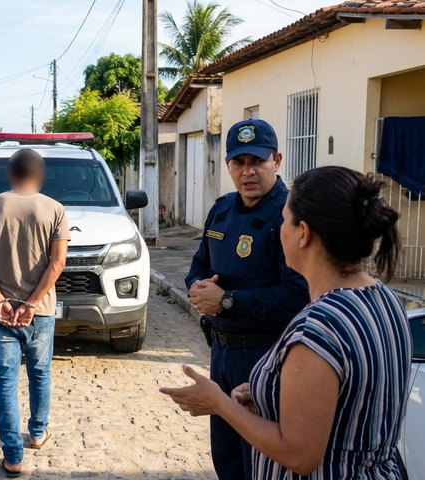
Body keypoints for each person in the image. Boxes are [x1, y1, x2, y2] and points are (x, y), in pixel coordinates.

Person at [161, 166, 412, 479]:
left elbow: (299, 455)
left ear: (303, 234)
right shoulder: (386, 299)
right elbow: (350, 399)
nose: (280, 230)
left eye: (284, 219)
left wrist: (219, 403)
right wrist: (269, 392)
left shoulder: (317, 328)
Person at [184, 118, 310, 480]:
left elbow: (297, 295)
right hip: (221, 356)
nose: (247, 172)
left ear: (278, 160)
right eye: (238, 163)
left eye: (257, 161)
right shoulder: (221, 210)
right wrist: (197, 289)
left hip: (267, 357)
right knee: (227, 458)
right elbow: (197, 266)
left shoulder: (291, 216)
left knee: (264, 462)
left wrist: (227, 301)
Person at [0, 149, 70, 478]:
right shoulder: (55, 209)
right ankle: (38, 433)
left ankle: (12, 456)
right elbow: (58, 263)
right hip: (38, 312)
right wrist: (30, 303)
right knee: (40, 374)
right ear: (39, 175)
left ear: (11, 173)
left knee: (5, 382)